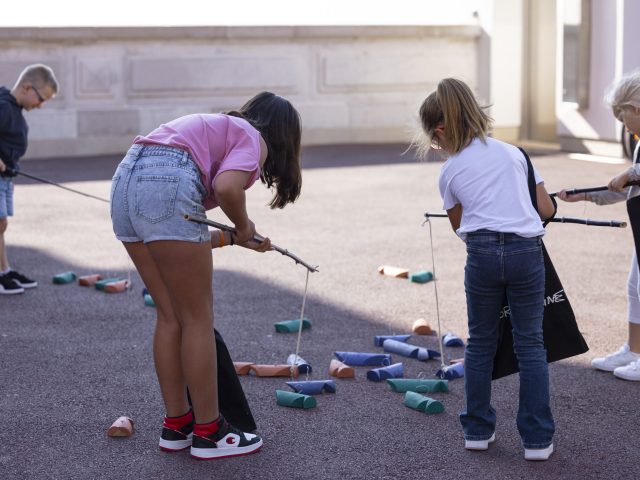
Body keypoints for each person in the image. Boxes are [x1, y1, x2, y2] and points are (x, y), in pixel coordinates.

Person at [109, 91, 302, 460]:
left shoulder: (216, 130)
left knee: (169, 316)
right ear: (283, 136)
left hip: (125, 179)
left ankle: (177, 425)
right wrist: (243, 226)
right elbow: (226, 187)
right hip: (169, 179)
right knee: (197, 318)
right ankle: (211, 432)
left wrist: (233, 239)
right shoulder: (251, 136)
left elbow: (179, 235)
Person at [416, 78, 556, 461]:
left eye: (433, 140)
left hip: (481, 255)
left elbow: (460, 227)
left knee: (480, 343)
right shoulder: (515, 154)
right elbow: (545, 210)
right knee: (530, 343)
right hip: (526, 251)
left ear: (441, 130)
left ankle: (477, 430)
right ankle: (538, 440)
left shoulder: (449, 172)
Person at [558, 70, 640, 382]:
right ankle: (634, 350)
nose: (625, 128)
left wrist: (632, 171)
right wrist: (586, 195)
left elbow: (632, 178)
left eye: (624, 119)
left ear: (636, 108)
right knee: (635, 288)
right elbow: (628, 187)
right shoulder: (639, 143)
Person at [0, 64, 59, 294]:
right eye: (41, 98)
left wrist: (10, 175)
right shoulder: (3, 106)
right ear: (27, 87)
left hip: (6, 177)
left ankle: (4, 271)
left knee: (1, 225)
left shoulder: (14, 109)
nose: (41, 104)